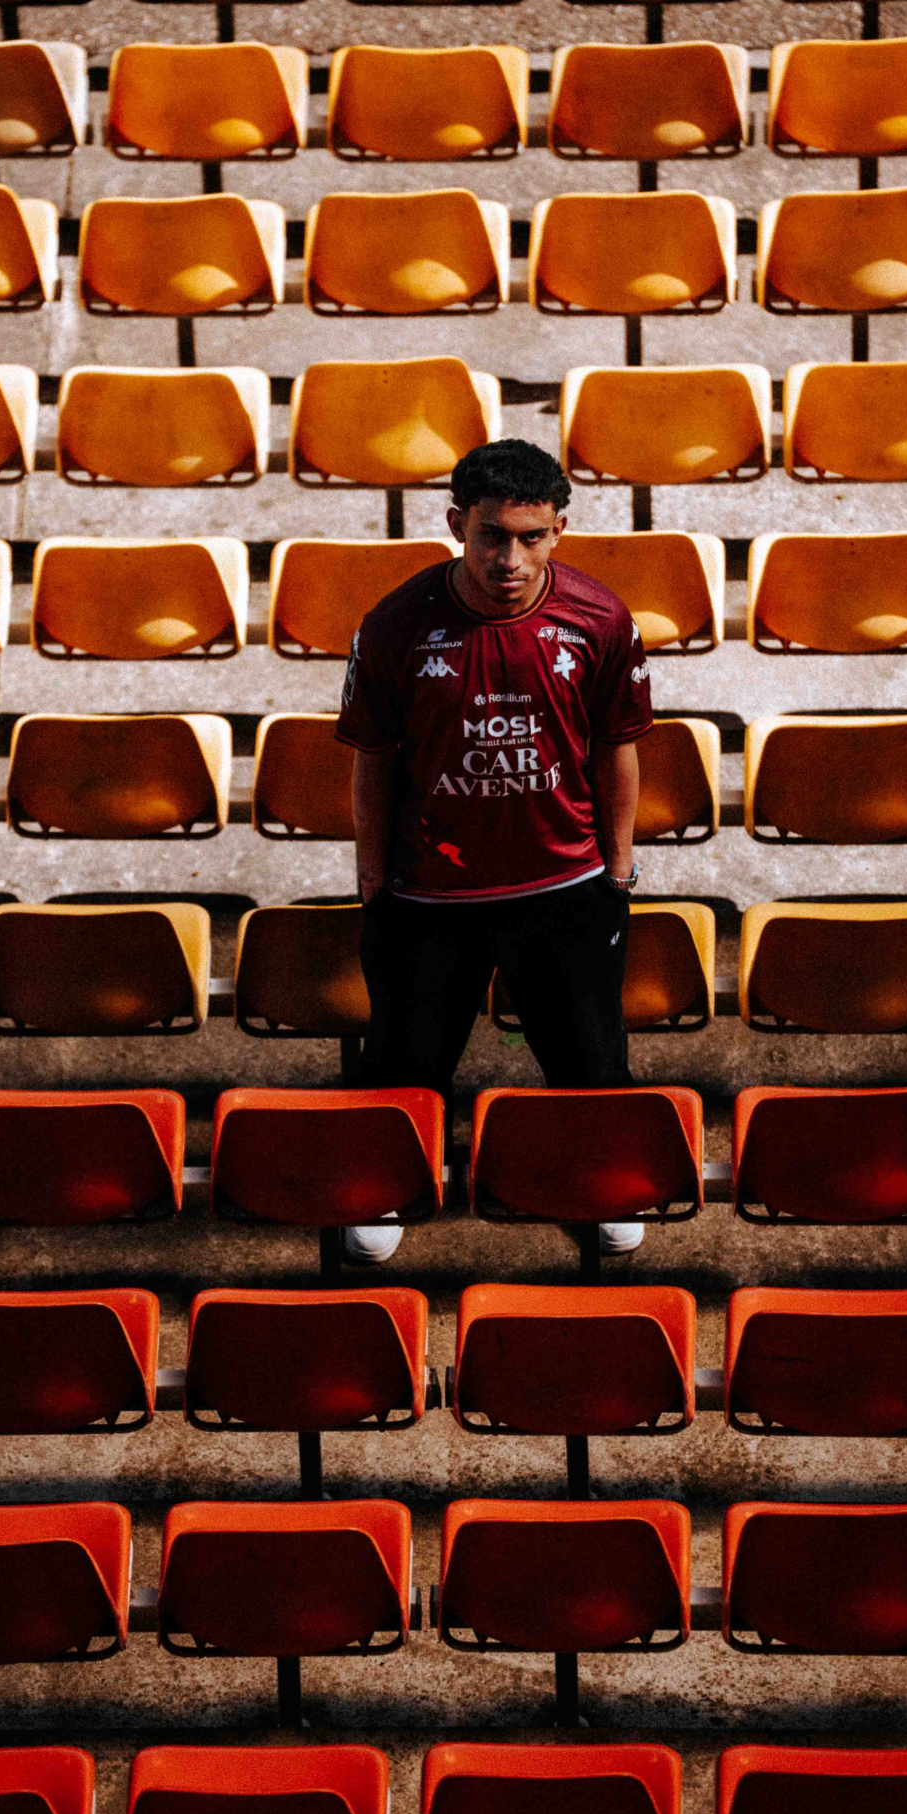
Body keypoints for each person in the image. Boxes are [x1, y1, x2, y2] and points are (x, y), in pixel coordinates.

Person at [334, 437, 653, 1265]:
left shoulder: (597, 619)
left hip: (563, 885)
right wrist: (373, 876)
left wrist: (617, 868)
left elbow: (618, 746)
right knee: (406, 1060)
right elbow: (373, 758)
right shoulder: (397, 624)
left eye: (529, 537)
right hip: (431, 894)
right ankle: (385, 1190)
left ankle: (602, 1186)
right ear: (455, 525)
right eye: (489, 536)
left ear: (558, 532)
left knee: (589, 1057)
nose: (508, 558)